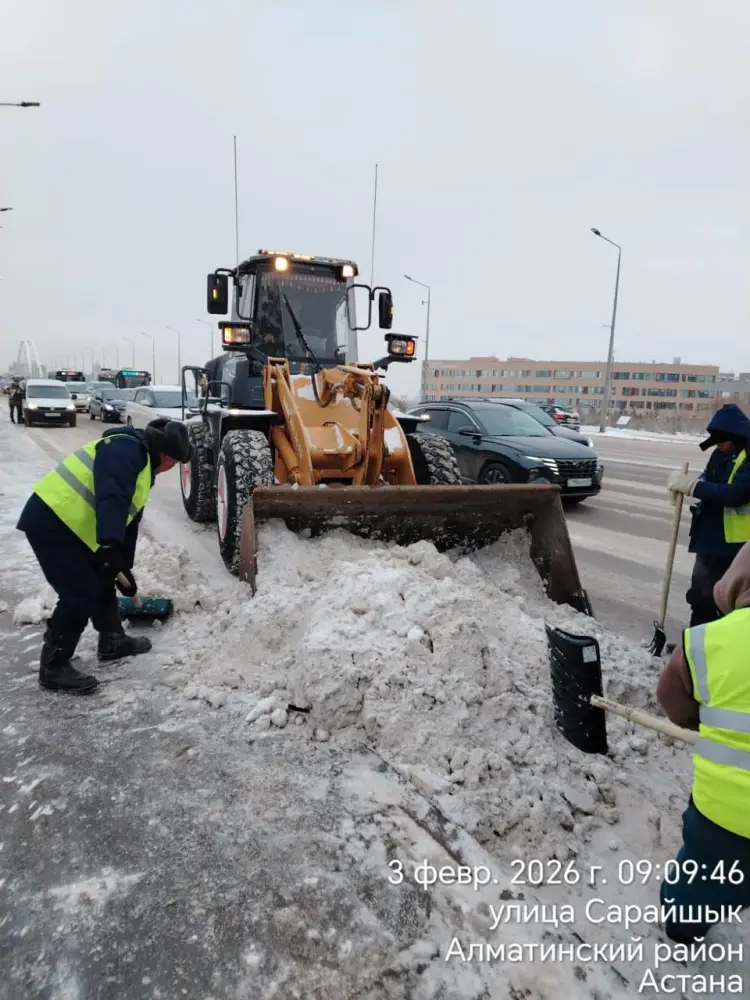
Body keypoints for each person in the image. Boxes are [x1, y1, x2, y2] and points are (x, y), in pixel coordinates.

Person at [16, 418, 192, 695]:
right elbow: (112, 497)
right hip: (53, 522)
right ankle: (54, 666)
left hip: (73, 526)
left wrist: (121, 564)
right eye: (177, 462)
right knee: (80, 593)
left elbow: (129, 519)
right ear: (166, 455)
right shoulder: (125, 449)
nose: (173, 468)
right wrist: (108, 544)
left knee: (102, 577)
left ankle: (112, 640)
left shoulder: (142, 464)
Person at [656, 543, 750, 943]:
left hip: (721, 816)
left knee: (696, 885)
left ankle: (682, 929)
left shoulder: (705, 641)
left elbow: (671, 701)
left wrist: (702, 719)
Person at [667, 404, 750, 627]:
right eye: (717, 442)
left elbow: (737, 494)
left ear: (737, 436)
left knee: (729, 602)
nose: (720, 446)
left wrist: (694, 487)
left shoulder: (748, 456)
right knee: (700, 597)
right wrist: (684, 487)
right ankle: (696, 645)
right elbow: (708, 480)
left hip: (737, 546)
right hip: (710, 541)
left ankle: (723, 649)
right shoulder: (719, 454)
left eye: (723, 441)